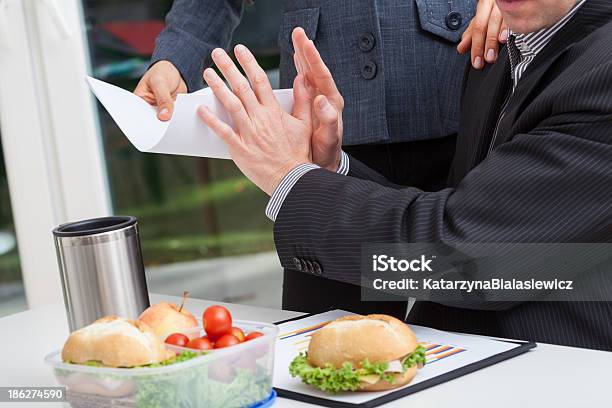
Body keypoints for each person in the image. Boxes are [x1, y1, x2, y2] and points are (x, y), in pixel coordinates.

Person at [195, 0, 612, 351]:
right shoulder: (500, 49)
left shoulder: (598, 72)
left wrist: (291, 178)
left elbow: (468, 257)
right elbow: (465, 219)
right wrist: (327, 169)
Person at [135, 0, 506, 316]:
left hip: (465, 96)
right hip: (323, 129)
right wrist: (174, 59)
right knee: (330, 350)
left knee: (479, 314)